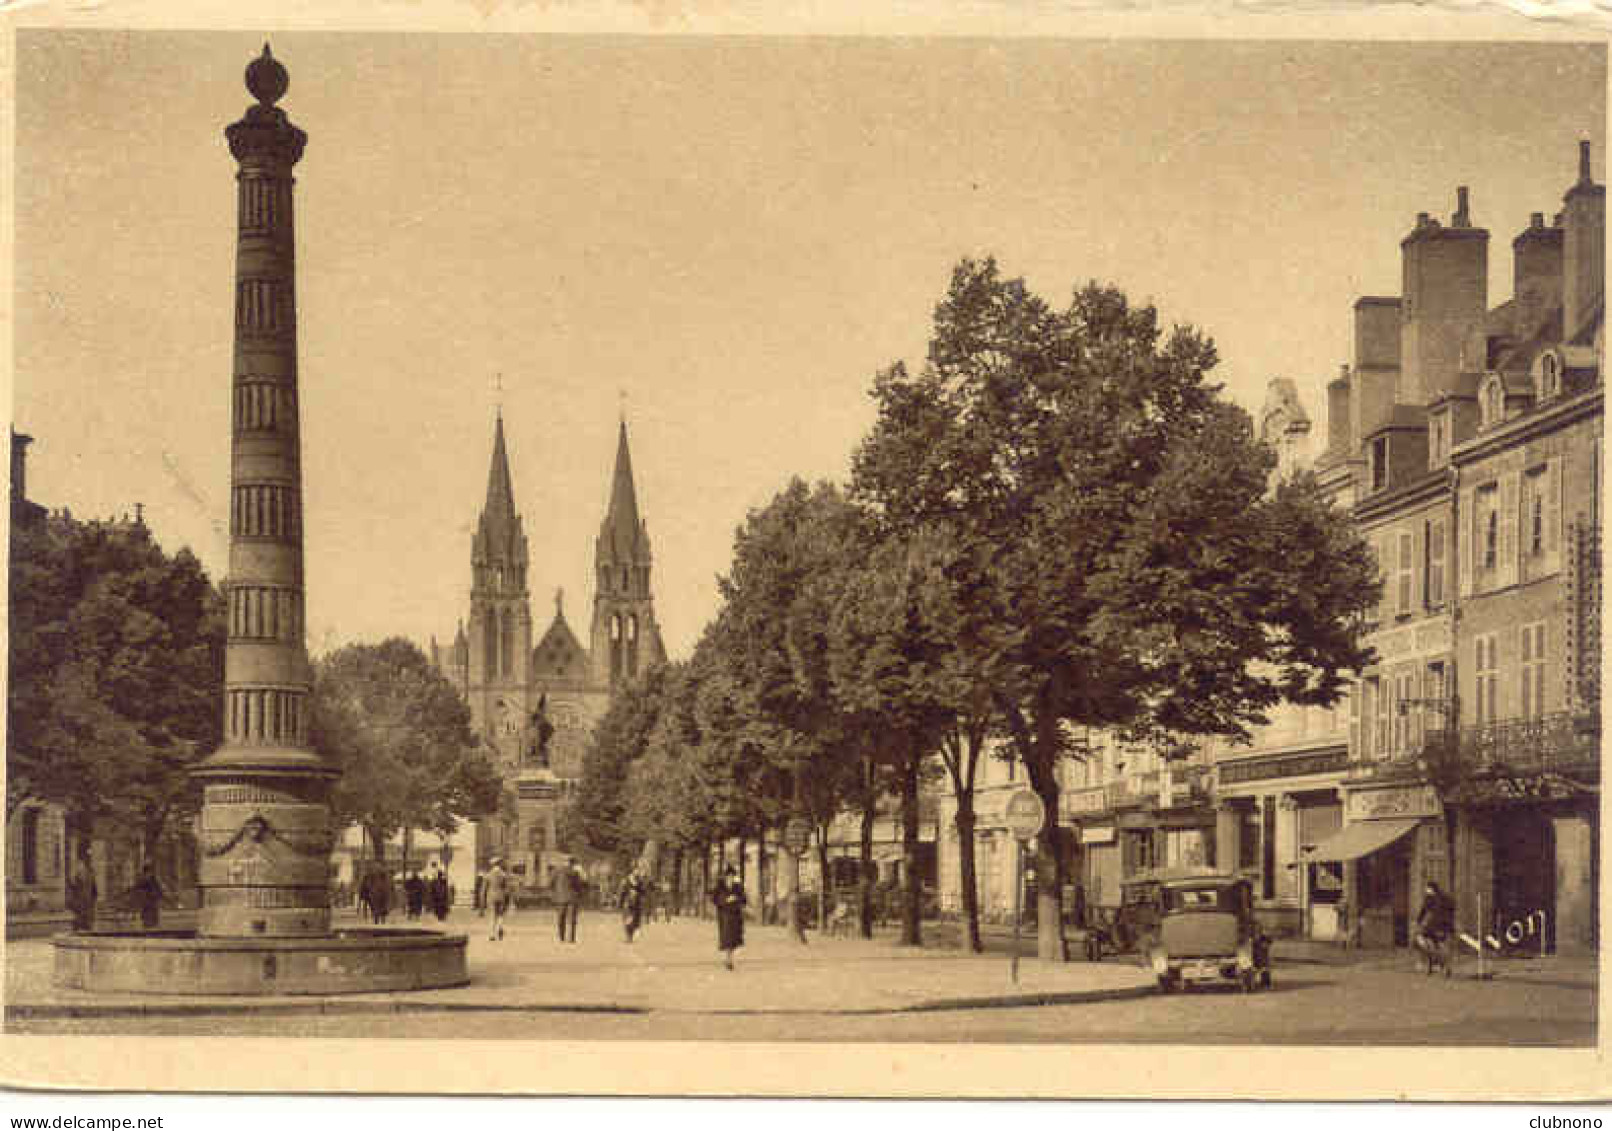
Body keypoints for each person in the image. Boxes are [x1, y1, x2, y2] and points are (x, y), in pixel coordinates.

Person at [1415, 880, 1455, 975]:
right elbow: (1452, 908)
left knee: (1422, 940)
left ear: (1431, 889)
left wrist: (1419, 921)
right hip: (1445, 925)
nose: (1426, 890)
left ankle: (1434, 962)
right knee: (1442, 944)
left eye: (1427, 888)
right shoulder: (1446, 898)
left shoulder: (1430, 898)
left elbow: (1423, 910)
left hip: (1434, 925)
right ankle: (1445, 966)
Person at [712, 865, 747, 970]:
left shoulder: (738, 887)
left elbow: (744, 899)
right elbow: (714, 899)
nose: (730, 878)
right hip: (724, 915)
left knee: (734, 940)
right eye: (728, 876)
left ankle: (729, 958)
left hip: (736, 916)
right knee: (727, 938)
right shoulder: (720, 886)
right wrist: (725, 900)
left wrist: (736, 898)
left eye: (732, 876)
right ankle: (729, 960)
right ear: (725, 877)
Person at [553, 856, 583, 943]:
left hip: (560, 898)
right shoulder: (575, 872)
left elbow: (550, 883)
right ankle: (571, 938)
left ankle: (561, 938)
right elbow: (578, 886)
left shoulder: (556, 871)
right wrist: (580, 894)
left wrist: (556, 893)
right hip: (573, 898)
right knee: (572, 919)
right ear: (572, 863)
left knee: (561, 918)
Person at [67, 858, 97, 932]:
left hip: (82, 898)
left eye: (80, 865)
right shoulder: (90, 874)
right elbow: (94, 889)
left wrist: (70, 883)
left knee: (81, 913)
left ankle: (81, 927)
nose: (79, 867)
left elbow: (75, 887)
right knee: (83, 913)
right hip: (86, 898)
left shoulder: (80, 875)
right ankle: (84, 927)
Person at [485, 857, 511, 942]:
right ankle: (499, 927)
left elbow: (484, 888)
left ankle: (492, 935)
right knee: (500, 914)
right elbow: (506, 888)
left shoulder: (489, 874)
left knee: (492, 915)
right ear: (499, 864)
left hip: (491, 896)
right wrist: (507, 899)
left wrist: (482, 902)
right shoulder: (503, 875)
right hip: (501, 896)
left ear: (492, 864)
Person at [131, 864, 164, 930]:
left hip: (152, 900)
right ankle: (147, 925)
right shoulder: (144, 879)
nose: (147, 874)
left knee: (153, 913)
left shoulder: (154, 879)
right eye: (146, 873)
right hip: (147, 901)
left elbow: (160, 888)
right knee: (147, 913)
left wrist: (158, 894)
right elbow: (138, 886)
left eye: (148, 872)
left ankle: (153, 926)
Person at [621, 870, 647, 943]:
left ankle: (631, 936)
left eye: (637, 872)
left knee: (635, 921)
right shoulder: (626, 881)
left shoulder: (640, 882)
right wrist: (622, 902)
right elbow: (623, 892)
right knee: (627, 920)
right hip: (628, 903)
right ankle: (629, 937)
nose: (636, 873)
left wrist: (639, 893)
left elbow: (643, 892)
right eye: (635, 872)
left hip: (636, 904)